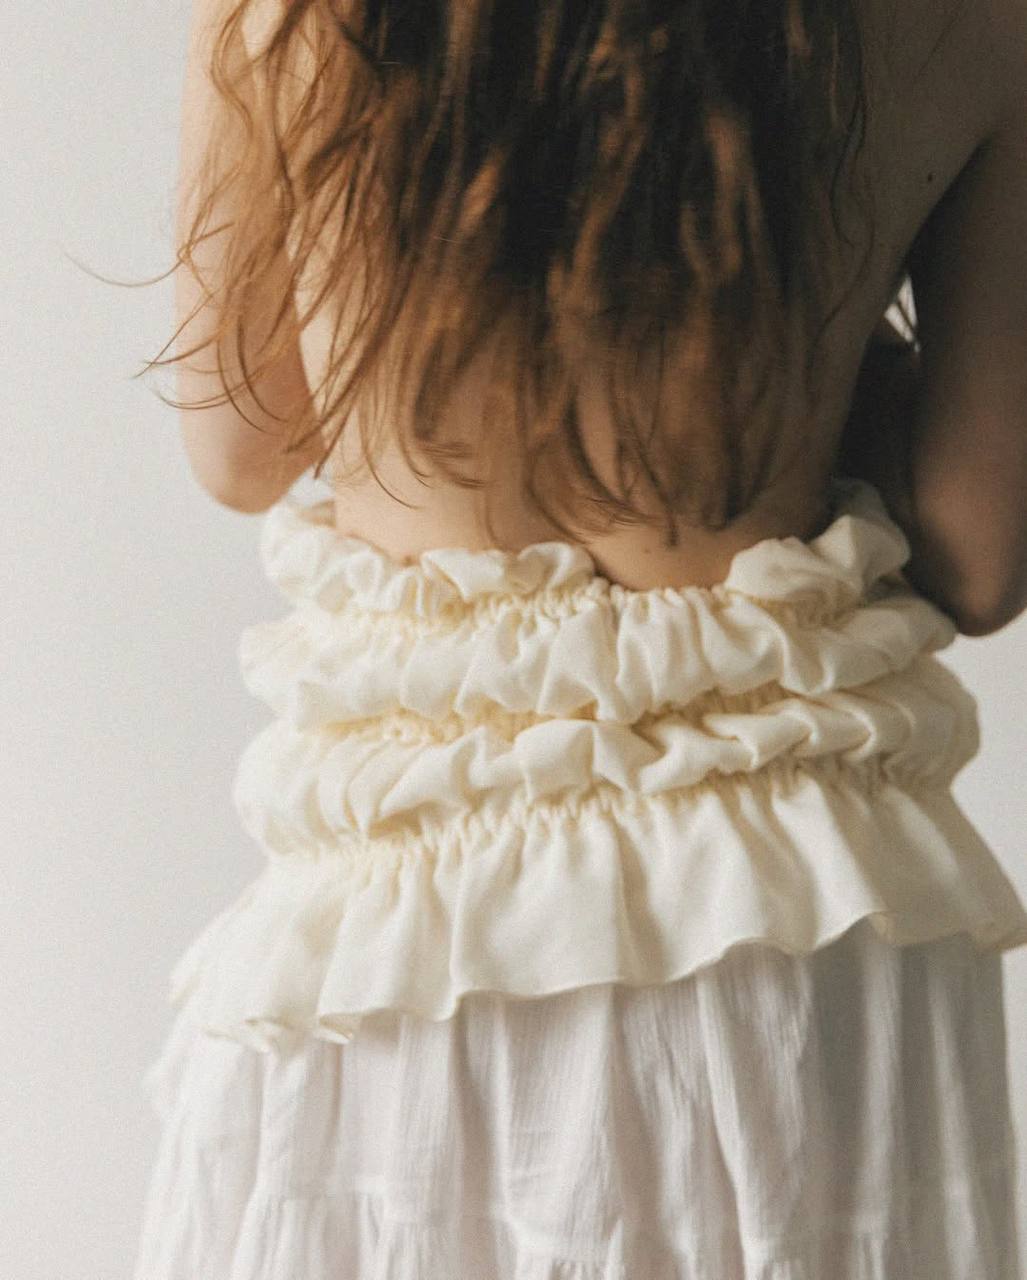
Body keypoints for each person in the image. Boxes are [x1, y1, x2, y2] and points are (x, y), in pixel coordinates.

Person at [133, 0, 1027, 1275]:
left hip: (416, 919)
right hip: (786, 893)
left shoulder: (286, 17)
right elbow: (978, 555)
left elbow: (243, 445)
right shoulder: (967, 21)